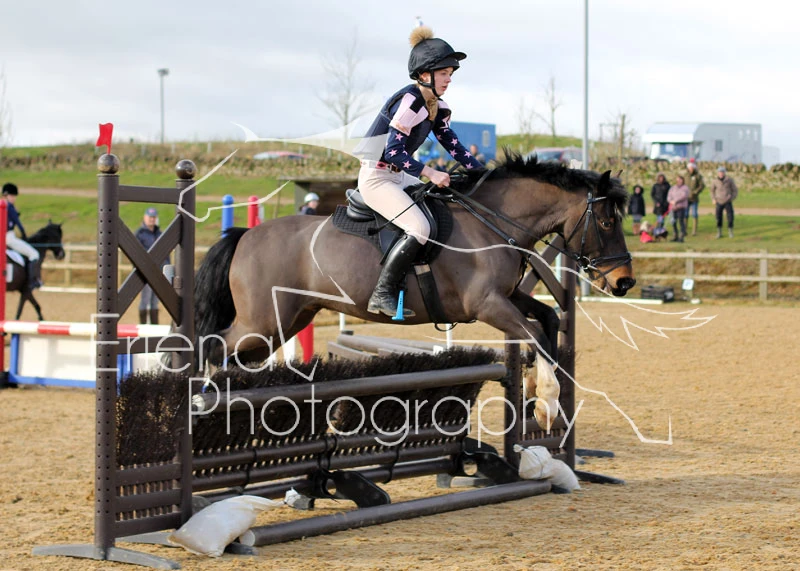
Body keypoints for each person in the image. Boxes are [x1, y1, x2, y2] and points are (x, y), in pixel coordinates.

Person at [354, 26, 484, 318]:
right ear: (425, 74)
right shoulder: (410, 101)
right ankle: (382, 293)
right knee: (419, 228)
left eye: (451, 73)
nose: (449, 79)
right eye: (444, 73)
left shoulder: (436, 105)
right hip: (376, 177)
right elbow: (392, 152)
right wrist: (430, 173)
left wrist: (483, 173)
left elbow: (453, 145)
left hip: (398, 176)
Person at [2, 182, 42, 290]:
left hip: (3, 238)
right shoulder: (9, 207)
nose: (14, 198)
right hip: (9, 238)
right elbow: (18, 223)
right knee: (34, 254)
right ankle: (32, 281)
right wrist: (24, 235)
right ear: (7, 195)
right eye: (12, 196)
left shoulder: (2, 206)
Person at [135, 207, 169, 324]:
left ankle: (155, 325)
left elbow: (165, 252)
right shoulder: (139, 234)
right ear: (145, 217)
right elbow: (136, 253)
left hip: (158, 271)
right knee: (145, 298)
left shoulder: (160, 234)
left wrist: (166, 268)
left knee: (155, 300)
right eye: (150, 217)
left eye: (154, 217)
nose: (152, 219)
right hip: (145, 272)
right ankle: (143, 325)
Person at [710, 166, 738, 238]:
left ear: (724, 173)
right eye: (720, 172)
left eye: (722, 172)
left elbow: (735, 190)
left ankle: (730, 231)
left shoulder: (729, 180)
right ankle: (719, 232)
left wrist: (732, 198)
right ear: (718, 173)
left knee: (730, 217)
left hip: (727, 201)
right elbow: (712, 191)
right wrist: (713, 199)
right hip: (719, 201)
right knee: (718, 217)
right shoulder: (715, 181)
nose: (721, 174)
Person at [667, 175, 690, 242]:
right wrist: (670, 201)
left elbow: (683, 196)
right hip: (673, 208)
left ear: (682, 180)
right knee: (673, 222)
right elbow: (669, 195)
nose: (679, 181)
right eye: (677, 180)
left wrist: (675, 201)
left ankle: (681, 236)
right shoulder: (673, 188)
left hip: (681, 207)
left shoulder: (685, 188)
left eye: (680, 180)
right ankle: (675, 235)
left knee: (681, 221)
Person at [686, 159, 705, 236]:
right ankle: (685, 230)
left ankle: (694, 231)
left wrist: (696, 192)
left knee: (694, 214)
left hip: (694, 198)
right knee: (685, 214)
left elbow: (702, 185)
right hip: (686, 199)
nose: (691, 169)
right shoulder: (685, 176)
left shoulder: (698, 176)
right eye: (689, 167)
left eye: (692, 167)